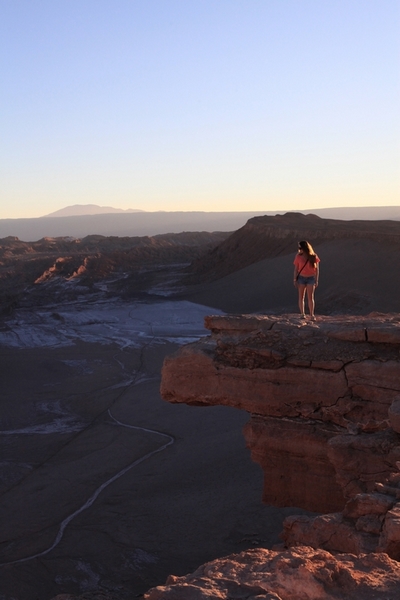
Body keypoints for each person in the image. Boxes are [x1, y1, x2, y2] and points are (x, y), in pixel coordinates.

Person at [293, 240, 320, 320]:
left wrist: (316, 280)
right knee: (301, 297)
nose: (299, 249)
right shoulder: (298, 256)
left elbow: (317, 269)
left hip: (311, 278)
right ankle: (302, 314)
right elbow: (296, 269)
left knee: (310, 297)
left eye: (300, 247)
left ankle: (312, 315)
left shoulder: (314, 256)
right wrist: (295, 279)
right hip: (301, 278)